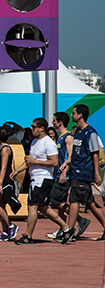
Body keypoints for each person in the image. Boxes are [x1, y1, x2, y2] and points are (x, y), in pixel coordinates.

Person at [11, 117, 72, 245]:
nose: (31, 129)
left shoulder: (48, 142)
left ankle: (28, 235)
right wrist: (17, 171)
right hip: (35, 178)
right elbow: (29, 161)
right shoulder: (34, 142)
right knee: (43, 208)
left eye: (34, 127)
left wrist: (36, 162)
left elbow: (54, 162)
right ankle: (66, 228)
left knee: (32, 206)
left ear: (41, 128)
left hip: (43, 179)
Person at [60, 104, 105, 243]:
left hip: (83, 172)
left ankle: (69, 230)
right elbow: (74, 154)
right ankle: (70, 229)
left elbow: (95, 153)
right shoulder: (78, 132)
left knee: (74, 200)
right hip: (76, 171)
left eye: (74, 113)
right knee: (90, 202)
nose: (72, 115)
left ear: (80, 115)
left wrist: (96, 174)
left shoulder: (90, 132)